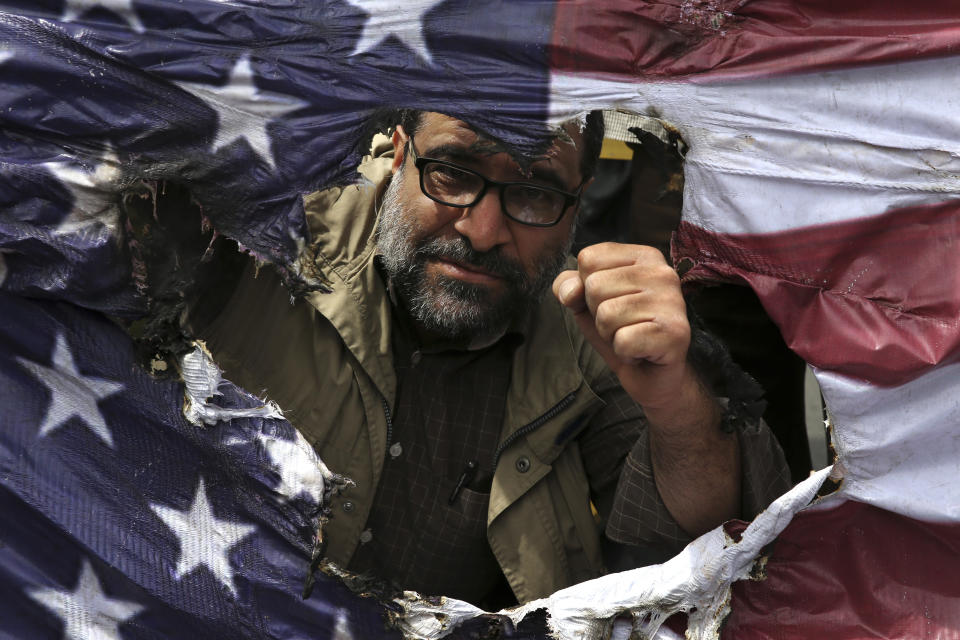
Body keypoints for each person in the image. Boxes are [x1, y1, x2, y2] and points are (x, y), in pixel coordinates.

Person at [183, 110, 790, 608]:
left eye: (533, 192)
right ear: (398, 154)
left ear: (575, 212)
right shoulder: (251, 241)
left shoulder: (588, 336)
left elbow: (704, 551)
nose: (481, 230)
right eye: (451, 171)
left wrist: (677, 401)